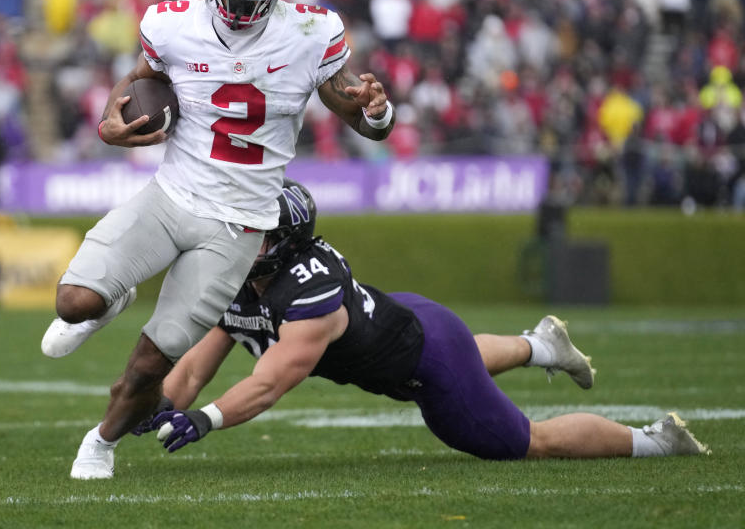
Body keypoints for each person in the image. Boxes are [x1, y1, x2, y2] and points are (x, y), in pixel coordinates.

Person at [45, 0, 395, 479]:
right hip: (168, 199)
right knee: (74, 302)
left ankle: (100, 442)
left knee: (147, 366)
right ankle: (113, 297)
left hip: (238, 227)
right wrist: (112, 116)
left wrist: (377, 113)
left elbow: (354, 109)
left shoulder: (311, 32)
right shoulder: (171, 23)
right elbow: (142, 81)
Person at [118, 180, 708, 466]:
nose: (243, 237)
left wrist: (203, 419)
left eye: (257, 231)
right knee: (456, 350)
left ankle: (655, 441)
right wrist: (159, 401)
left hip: (423, 361)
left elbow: (272, 381)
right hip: (409, 320)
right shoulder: (249, 275)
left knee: (527, 444)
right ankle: (539, 345)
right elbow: (203, 353)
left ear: (284, 243)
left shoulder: (307, 292)